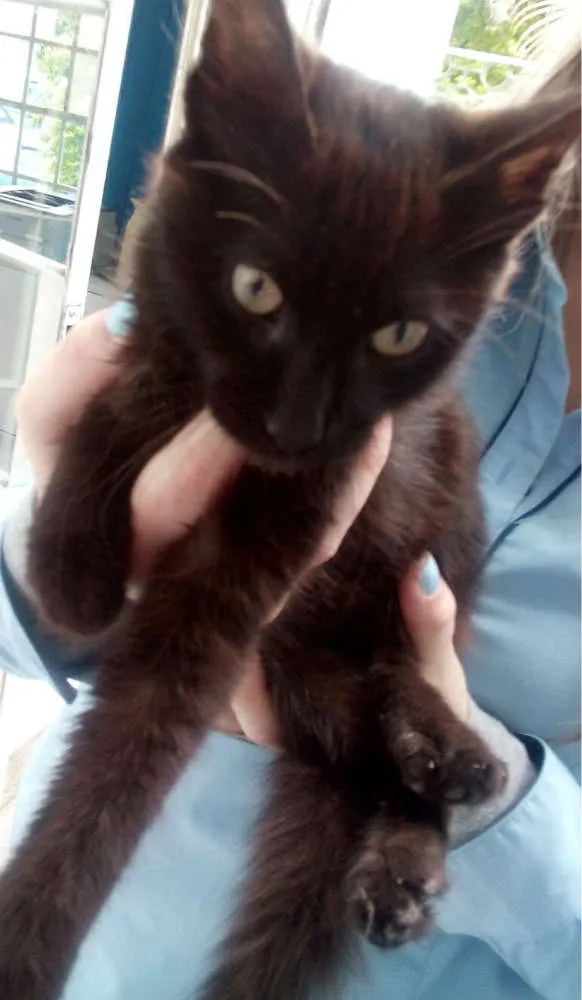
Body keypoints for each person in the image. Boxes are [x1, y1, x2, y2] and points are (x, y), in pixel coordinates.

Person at [0, 44, 580, 1000]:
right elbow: (77, 637)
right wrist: (67, 519)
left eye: (397, 337)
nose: (298, 422)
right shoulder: (296, 210)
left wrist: (492, 808)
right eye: (259, 294)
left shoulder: (451, 235)